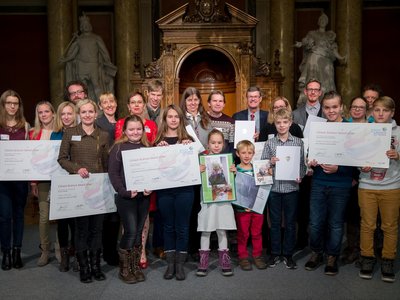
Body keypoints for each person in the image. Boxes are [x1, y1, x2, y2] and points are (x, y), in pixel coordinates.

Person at [58, 99, 109, 283]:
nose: (87, 115)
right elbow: (62, 158)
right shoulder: (71, 133)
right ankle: (84, 268)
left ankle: (96, 267)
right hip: (78, 188)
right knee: (81, 230)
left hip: (98, 188)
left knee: (97, 229)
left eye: (91, 112)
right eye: (84, 112)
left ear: (96, 114)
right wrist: (76, 168)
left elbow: (106, 162)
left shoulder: (103, 135)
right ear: (79, 114)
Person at [305, 91, 354, 276]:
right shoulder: (317, 127)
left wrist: (338, 168)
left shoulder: (351, 129)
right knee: (316, 222)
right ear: (322, 108)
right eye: (327, 107)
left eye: (335, 107)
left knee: (335, 223)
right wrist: (311, 161)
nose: (331, 111)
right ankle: (316, 252)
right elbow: (309, 152)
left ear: (341, 107)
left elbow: (356, 158)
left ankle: (332, 255)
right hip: (318, 181)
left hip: (340, 183)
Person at [358, 96, 400, 283]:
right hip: (367, 185)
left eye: (385, 110)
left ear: (392, 113)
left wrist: (397, 155)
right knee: (367, 225)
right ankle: (367, 258)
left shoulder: (399, 133)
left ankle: (388, 259)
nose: (381, 113)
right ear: (372, 112)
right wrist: (362, 167)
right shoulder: (365, 131)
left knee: (389, 226)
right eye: (377, 110)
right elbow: (356, 156)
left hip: (391, 186)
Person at [115, 91, 157, 268]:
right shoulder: (120, 125)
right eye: (133, 102)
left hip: (145, 182)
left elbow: (153, 151)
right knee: (130, 223)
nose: (137, 105)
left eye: (140, 102)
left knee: (143, 219)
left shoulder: (151, 125)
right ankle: (128, 258)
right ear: (128, 106)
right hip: (127, 183)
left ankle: (141, 252)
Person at [108, 115, 153, 284]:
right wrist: (124, 191)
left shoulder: (147, 148)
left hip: (143, 197)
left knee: (139, 231)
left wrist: (150, 187)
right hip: (126, 198)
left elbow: (152, 173)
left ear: (143, 130)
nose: (135, 132)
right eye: (131, 129)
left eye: (138, 129)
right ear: (125, 130)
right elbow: (113, 174)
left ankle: (134, 267)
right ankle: (124, 269)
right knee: (131, 231)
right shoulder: (118, 148)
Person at [261, 109, 306, 270]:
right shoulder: (270, 143)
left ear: (290, 123)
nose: (281, 125)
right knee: (274, 223)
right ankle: (274, 253)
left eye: (285, 122)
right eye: (278, 122)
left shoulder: (298, 142)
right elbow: (262, 167)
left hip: (291, 188)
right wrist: (270, 162)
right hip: (274, 188)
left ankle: (288, 254)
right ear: (275, 124)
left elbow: (302, 165)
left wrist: (300, 175)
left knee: (290, 223)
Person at [154, 104, 195, 281]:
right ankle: (170, 264)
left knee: (183, 227)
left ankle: (180, 265)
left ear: (180, 119)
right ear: (164, 119)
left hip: (185, 191)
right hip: (165, 191)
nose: (172, 119)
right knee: (168, 226)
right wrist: (157, 151)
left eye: (176, 116)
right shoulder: (158, 141)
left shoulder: (189, 139)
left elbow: (199, 164)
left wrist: (190, 148)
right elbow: (153, 170)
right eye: (169, 116)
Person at [196, 129, 236, 277]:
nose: (216, 145)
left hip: (223, 201)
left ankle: (225, 262)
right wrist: (197, 171)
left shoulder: (227, 160)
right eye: (213, 142)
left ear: (224, 144)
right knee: (206, 230)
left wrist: (233, 171)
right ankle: (203, 262)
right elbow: (194, 179)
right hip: (207, 201)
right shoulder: (202, 160)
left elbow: (232, 180)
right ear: (208, 144)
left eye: (219, 142)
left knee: (222, 229)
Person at [180, 87, 212, 260]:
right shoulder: (179, 121)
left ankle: (203, 246)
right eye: (189, 99)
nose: (192, 103)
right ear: (184, 101)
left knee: (202, 208)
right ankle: (189, 247)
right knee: (190, 210)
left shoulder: (206, 120)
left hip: (205, 170)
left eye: (195, 99)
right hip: (187, 172)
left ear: (200, 101)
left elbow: (212, 142)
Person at [292, 78, 325, 250]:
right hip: (302, 165)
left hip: (322, 166)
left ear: (320, 92)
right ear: (305, 92)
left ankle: (319, 241)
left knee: (320, 204)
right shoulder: (295, 114)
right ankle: (302, 238)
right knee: (303, 203)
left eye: (316, 89)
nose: (312, 92)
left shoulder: (327, 114)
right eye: (310, 89)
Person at [0, 90, 30, 270]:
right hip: (2, 180)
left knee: (19, 215)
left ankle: (17, 251)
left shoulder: (25, 126)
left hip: (20, 179)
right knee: (4, 216)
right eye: (9, 103)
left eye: (16, 103)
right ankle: (6, 251)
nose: (12, 106)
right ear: (3, 105)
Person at [60, 14, 117, 102]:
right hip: (82, 66)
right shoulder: (79, 39)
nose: (85, 27)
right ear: (81, 27)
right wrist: (65, 59)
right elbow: (72, 54)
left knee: (96, 85)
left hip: (93, 65)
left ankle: (101, 104)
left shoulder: (96, 38)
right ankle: (83, 106)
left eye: (87, 25)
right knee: (82, 88)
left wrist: (108, 62)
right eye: (83, 25)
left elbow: (104, 51)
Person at [295, 12, 346, 105]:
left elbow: (333, 49)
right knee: (312, 81)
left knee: (327, 83)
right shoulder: (312, 33)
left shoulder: (330, 35)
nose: (323, 21)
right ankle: (310, 102)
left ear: (327, 22)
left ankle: (328, 102)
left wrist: (340, 57)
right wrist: (301, 44)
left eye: (325, 20)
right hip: (314, 60)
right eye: (321, 20)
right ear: (318, 22)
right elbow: (306, 42)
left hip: (326, 62)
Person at [340, 97, 368, 265]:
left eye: (361, 107)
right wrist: (350, 177)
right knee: (351, 216)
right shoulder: (345, 129)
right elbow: (342, 154)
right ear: (350, 109)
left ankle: (365, 251)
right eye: (354, 107)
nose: (357, 110)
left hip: (367, 180)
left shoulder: (373, 129)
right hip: (348, 179)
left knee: (366, 218)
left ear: (366, 109)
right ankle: (352, 248)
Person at [51, 101, 78, 272]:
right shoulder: (55, 135)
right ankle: (64, 256)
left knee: (76, 222)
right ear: (59, 116)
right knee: (62, 222)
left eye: (70, 113)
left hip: (76, 181)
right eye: (63, 114)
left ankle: (76, 254)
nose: (67, 117)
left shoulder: (80, 132)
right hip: (59, 182)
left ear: (75, 115)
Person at [29, 101, 56, 267]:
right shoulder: (33, 133)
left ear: (53, 113)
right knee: (44, 217)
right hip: (43, 180)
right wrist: (33, 182)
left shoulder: (61, 131)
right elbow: (30, 161)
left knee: (61, 216)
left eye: (47, 111)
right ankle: (45, 249)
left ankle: (61, 249)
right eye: (40, 112)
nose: (44, 114)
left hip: (60, 179)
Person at [232, 140, 266, 271]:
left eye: (249, 153)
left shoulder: (259, 169)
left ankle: (257, 255)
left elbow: (264, 187)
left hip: (257, 208)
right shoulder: (235, 170)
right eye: (243, 153)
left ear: (253, 154)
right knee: (243, 234)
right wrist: (232, 174)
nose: (246, 155)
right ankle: (243, 257)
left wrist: (268, 174)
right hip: (242, 209)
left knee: (257, 233)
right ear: (238, 153)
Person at [95, 92, 119, 266]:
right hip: (103, 172)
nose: (109, 104)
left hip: (119, 173)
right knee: (106, 214)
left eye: (111, 101)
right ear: (100, 106)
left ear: (116, 103)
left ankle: (111, 249)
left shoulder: (121, 122)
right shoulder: (98, 124)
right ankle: (107, 251)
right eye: (105, 102)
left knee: (116, 214)